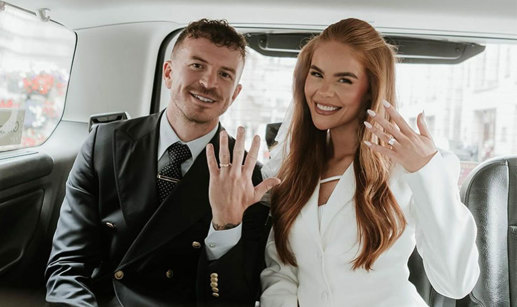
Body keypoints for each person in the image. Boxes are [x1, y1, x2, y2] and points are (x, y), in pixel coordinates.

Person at [45, 19, 279, 307]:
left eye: (225, 74)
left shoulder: (246, 176)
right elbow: (68, 264)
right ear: (168, 73)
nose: (208, 83)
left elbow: (234, 300)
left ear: (235, 94)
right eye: (197, 66)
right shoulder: (105, 144)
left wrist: (226, 226)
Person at [260, 18, 480, 307]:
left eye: (344, 79)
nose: (323, 91)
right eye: (317, 74)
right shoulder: (289, 169)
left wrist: (425, 171)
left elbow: (455, 283)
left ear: (370, 89)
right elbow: (282, 271)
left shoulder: (412, 169)